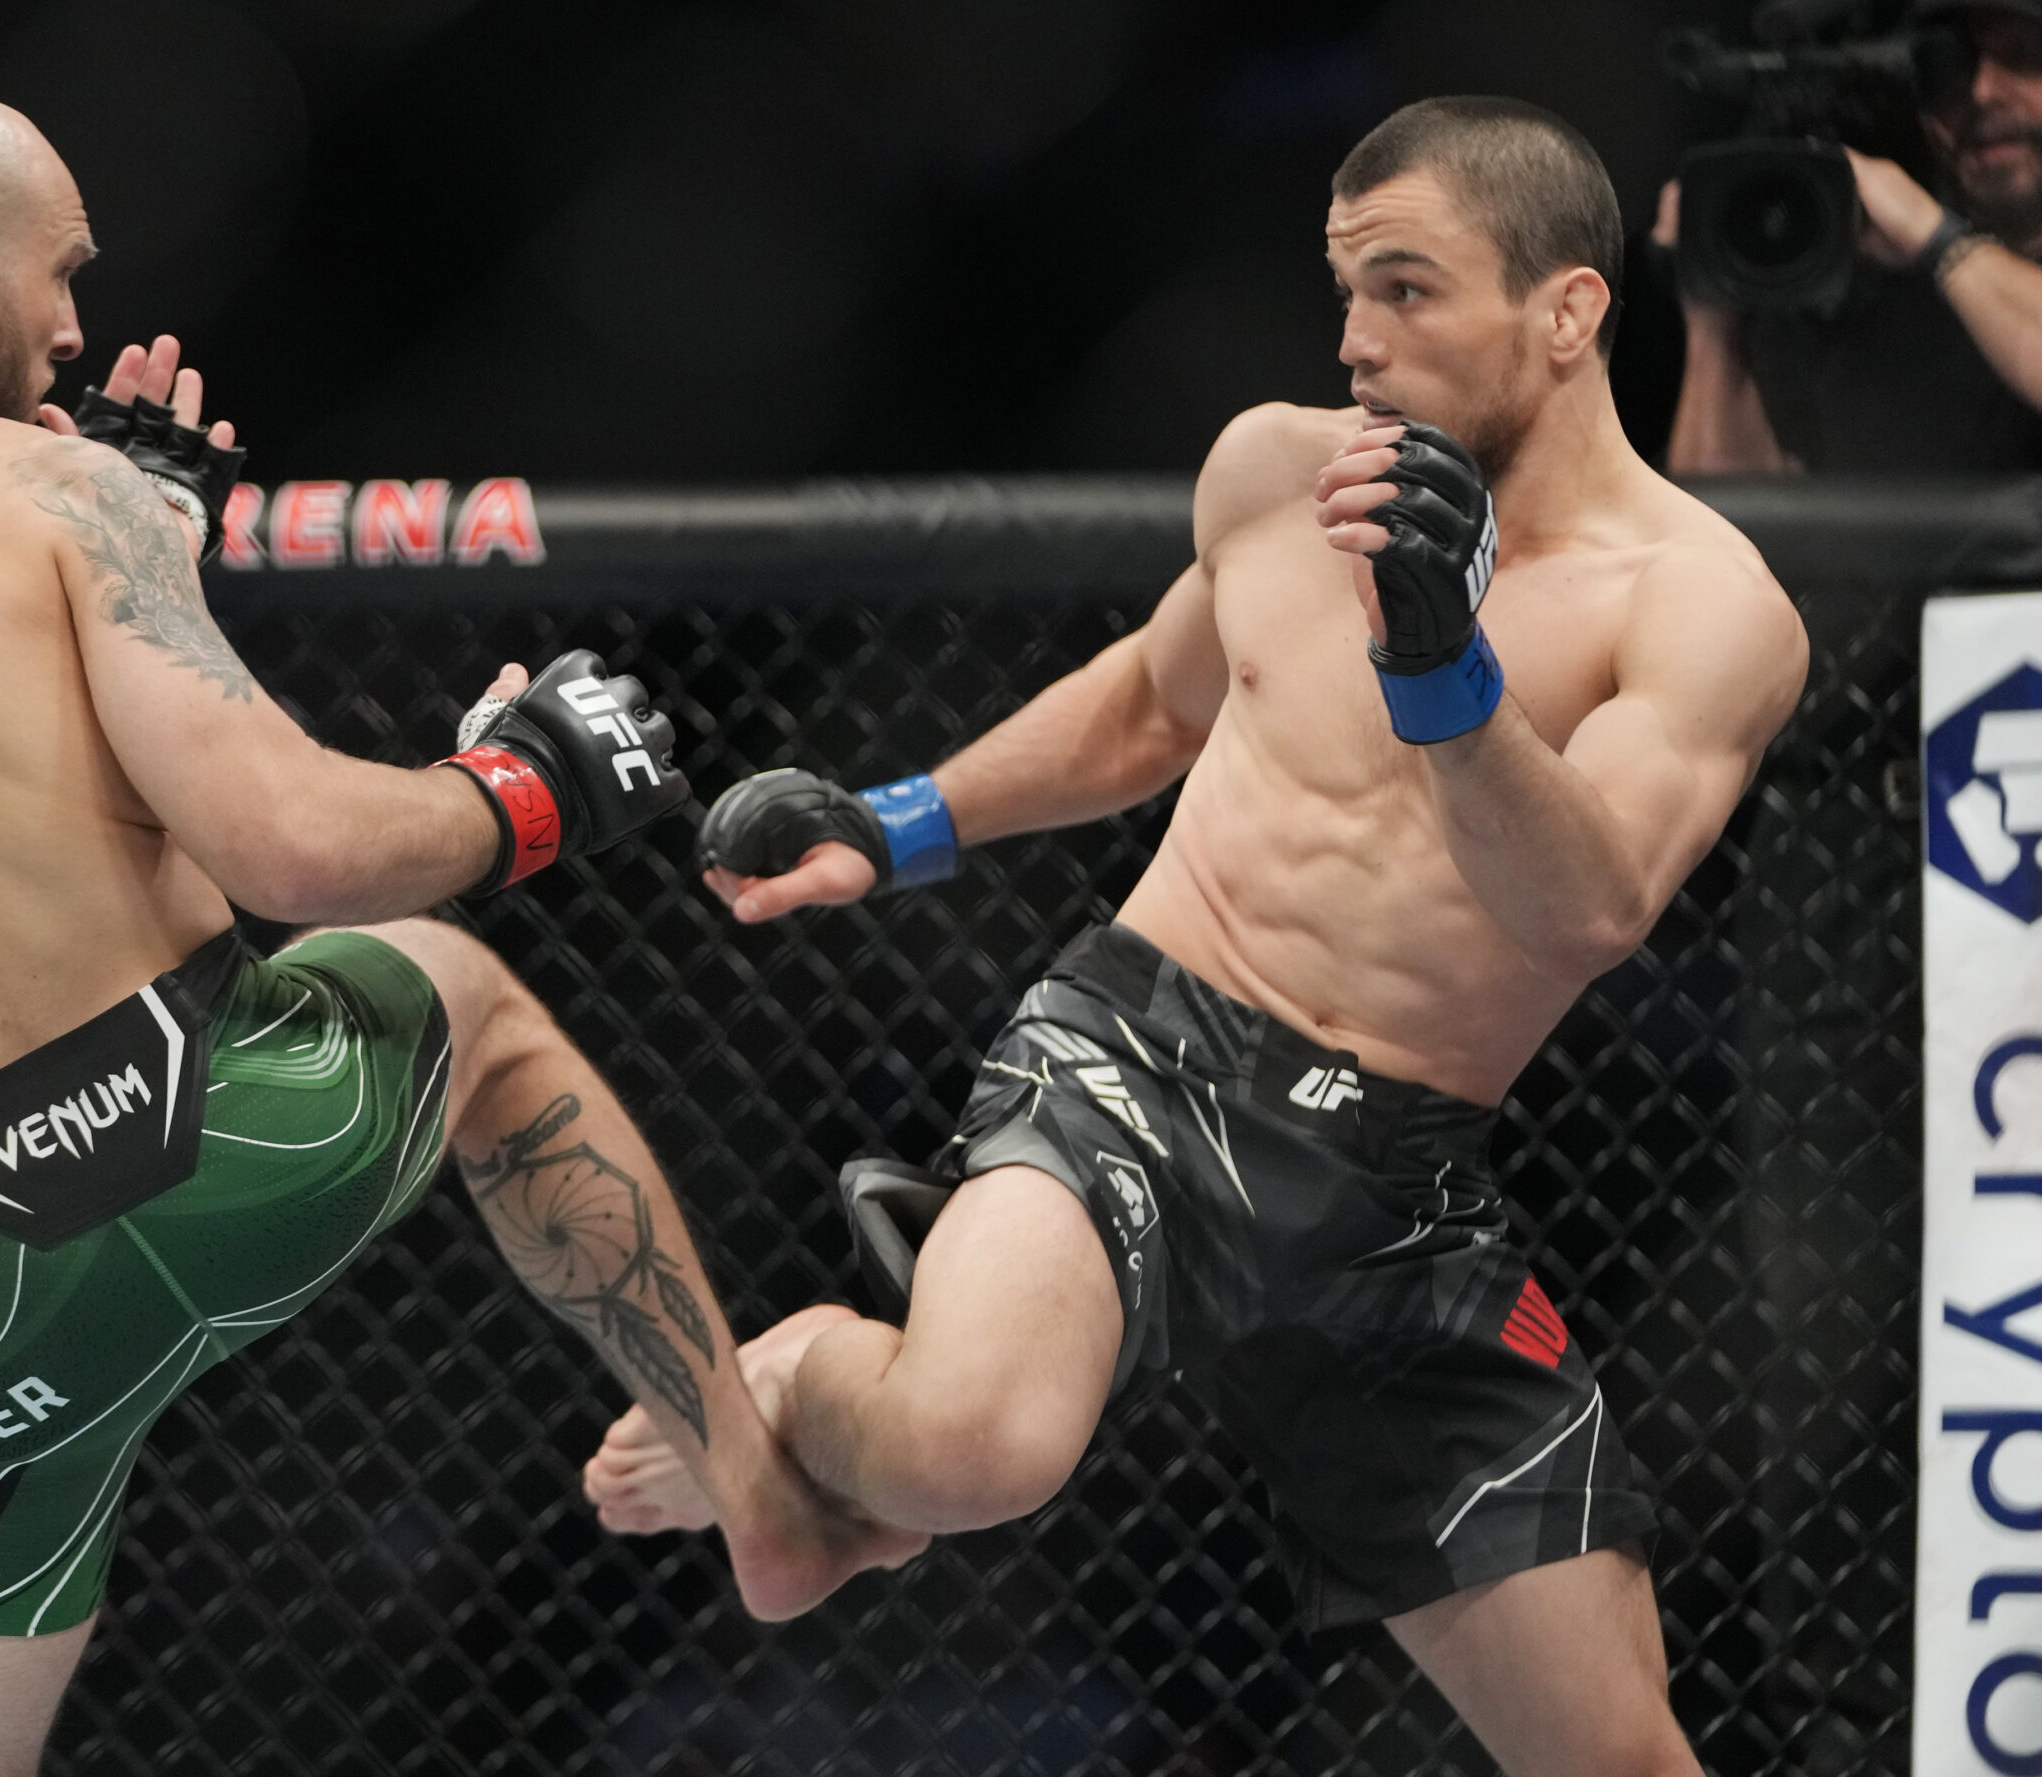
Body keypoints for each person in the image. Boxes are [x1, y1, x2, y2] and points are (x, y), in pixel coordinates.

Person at [0, 78, 918, 1777]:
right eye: (61, 275)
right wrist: (525, 781)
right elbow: (295, 848)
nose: (75, 328)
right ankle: (758, 1491)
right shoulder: (50, 500)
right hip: (210, 1127)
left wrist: (138, 547)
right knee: (460, 994)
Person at [585, 95, 1810, 1777]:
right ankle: (793, 1384)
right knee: (970, 1445)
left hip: (1393, 1189)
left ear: (1570, 311)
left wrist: (1444, 661)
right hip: (1142, 1052)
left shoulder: (1704, 601)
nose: (1358, 342)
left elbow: (1593, 904)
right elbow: (1157, 702)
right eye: (1345, 291)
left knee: (1619, 1758)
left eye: (1407, 291)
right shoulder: (1279, 467)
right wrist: (897, 821)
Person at [1666, 0, 2042, 473]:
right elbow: (1724, 513)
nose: (1981, 91)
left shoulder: (1927, 239)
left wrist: (1938, 239)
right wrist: (1713, 307)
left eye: (2025, 58)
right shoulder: (1854, 293)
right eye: (1945, 67)